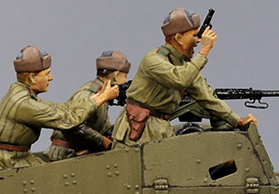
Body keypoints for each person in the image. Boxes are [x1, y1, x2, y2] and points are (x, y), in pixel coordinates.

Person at [110, 8, 257, 146]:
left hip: (160, 129)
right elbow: (180, 79)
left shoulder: (184, 65)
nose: (198, 41)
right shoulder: (154, 60)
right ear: (179, 38)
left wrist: (238, 121)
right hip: (136, 132)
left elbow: (208, 98)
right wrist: (205, 50)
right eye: (194, 36)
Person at [0, 46, 119, 170]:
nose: (51, 78)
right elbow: (67, 120)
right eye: (47, 74)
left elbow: (56, 108)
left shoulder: (20, 92)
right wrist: (102, 98)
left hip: (14, 157)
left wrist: (92, 100)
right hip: (6, 162)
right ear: (32, 77)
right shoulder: (24, 103)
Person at [47, 50, 130, 161]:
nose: (125, 81)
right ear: (115, 75)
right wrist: (102, 141)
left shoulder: (102, 93)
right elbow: (70, 125)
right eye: (124, 76)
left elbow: (101, 126)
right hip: (65, 155)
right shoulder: (90, 94)